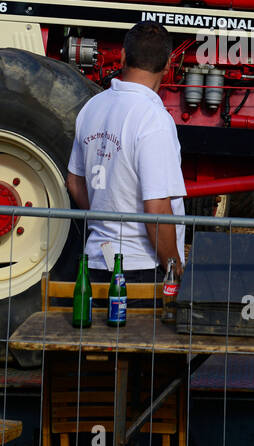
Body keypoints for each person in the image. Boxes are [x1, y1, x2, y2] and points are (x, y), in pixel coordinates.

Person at [66, 20, 185, 286]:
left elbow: (74, 181)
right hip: (141, 268)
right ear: (168, 65)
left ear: (121, 56)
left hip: (96, 262)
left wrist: (106, 219)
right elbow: (156, 209)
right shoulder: (154, 119)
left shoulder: (92, 106)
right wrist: (173, 269)